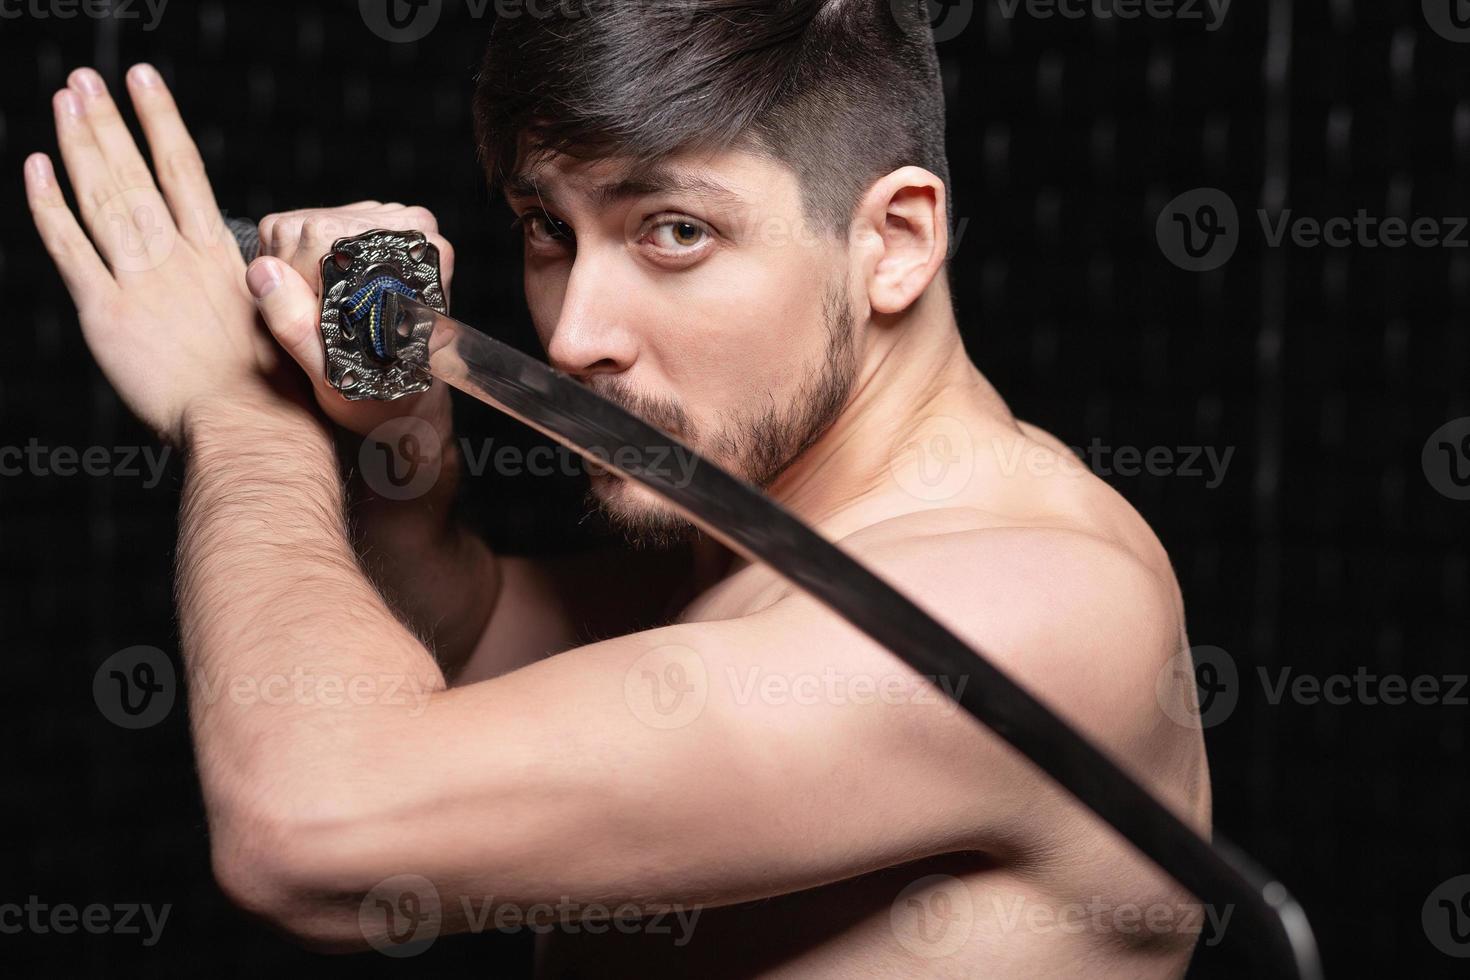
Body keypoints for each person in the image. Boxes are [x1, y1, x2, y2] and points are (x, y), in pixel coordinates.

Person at [24, 2, 1211, 975]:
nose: (577, 331)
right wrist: (397, 441)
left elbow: (312, 822)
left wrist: (241, 410)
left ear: (894, 238)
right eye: (549, 227)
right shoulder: (754, 541)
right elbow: (466, 635)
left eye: (675, 231)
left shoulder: (1019, 608)